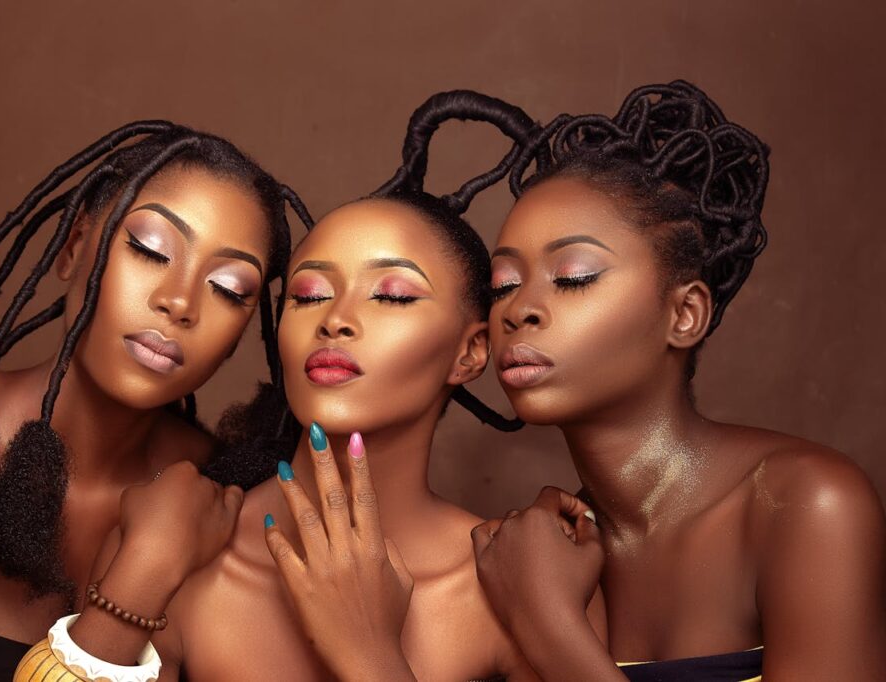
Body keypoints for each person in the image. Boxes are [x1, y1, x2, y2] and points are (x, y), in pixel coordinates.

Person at [51, 92, 546, 681]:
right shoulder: (178, 551)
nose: (334, 319)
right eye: (308, 295)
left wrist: (369, 653)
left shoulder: (514, 587)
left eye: (391, 294)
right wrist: (142, 570)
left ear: (469, 353)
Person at [0, 122, 309, 681]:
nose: (179, 303)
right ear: (73, 251)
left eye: (229, 289)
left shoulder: (220, 497)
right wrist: (141, 579)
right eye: (149, 250)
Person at [470, 80, 886, 680]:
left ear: (684, 314)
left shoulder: (807, 504)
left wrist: (548, 624)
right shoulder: (541, 552)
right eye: (503, 284)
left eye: (574, 276)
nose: (518, 309)